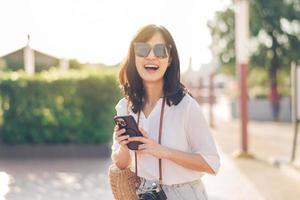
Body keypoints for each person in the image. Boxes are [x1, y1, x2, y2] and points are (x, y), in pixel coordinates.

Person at [111, 24, 220, 200]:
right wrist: (124, 146)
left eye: (160, 50)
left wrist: (163, 151)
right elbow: (120, 163)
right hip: (142, 194)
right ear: (134, 56)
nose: (151, 56)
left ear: (169, 59)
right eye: (143, 49)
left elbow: (212, 163)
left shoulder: (186, 106)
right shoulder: (125, 106)